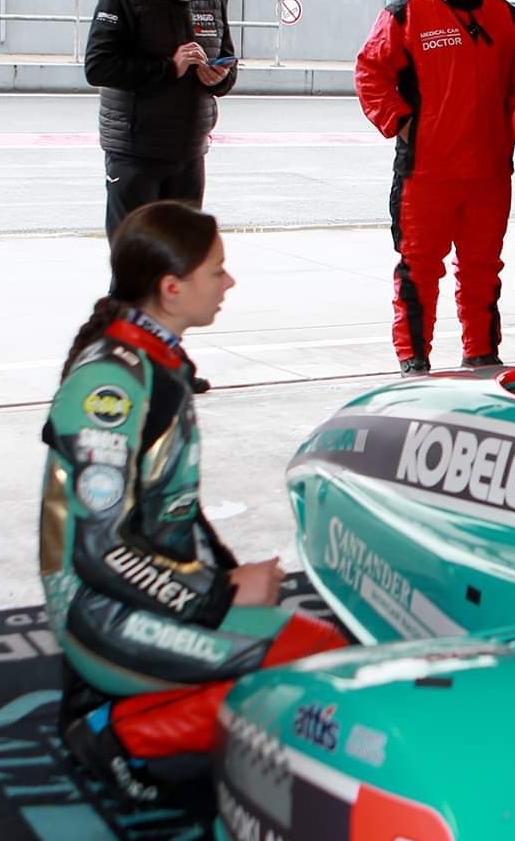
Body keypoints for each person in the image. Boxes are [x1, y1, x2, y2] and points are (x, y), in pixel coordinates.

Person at [42, 203, 348, 805]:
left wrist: (225, 577)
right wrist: (220, 594)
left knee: (311, 643)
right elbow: (100, 552)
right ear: (172, 288)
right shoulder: (112, 385)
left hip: (136, 599)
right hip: (102, 613)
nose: (228, 283)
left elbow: (170, 510)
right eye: (217, 271)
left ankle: (118, 705)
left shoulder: (152, 358)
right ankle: (119, 733)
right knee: (322, 666)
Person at [356, 0, 515, 373]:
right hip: (426, 173)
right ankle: (414, 359)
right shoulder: (408, 13)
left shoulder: (507, 18)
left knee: (483, 271)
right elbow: (371, 72)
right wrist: (401, 123)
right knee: (418, 270)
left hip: (489, 173)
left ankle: (482, 354)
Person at [84, 0, 238, 232]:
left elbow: (229, 67)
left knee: (183, 262)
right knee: (136, 264)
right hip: (135, 156)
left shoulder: (211, 0)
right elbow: (97, 67)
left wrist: (218, 78)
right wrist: (169, 68)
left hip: (190, 153)